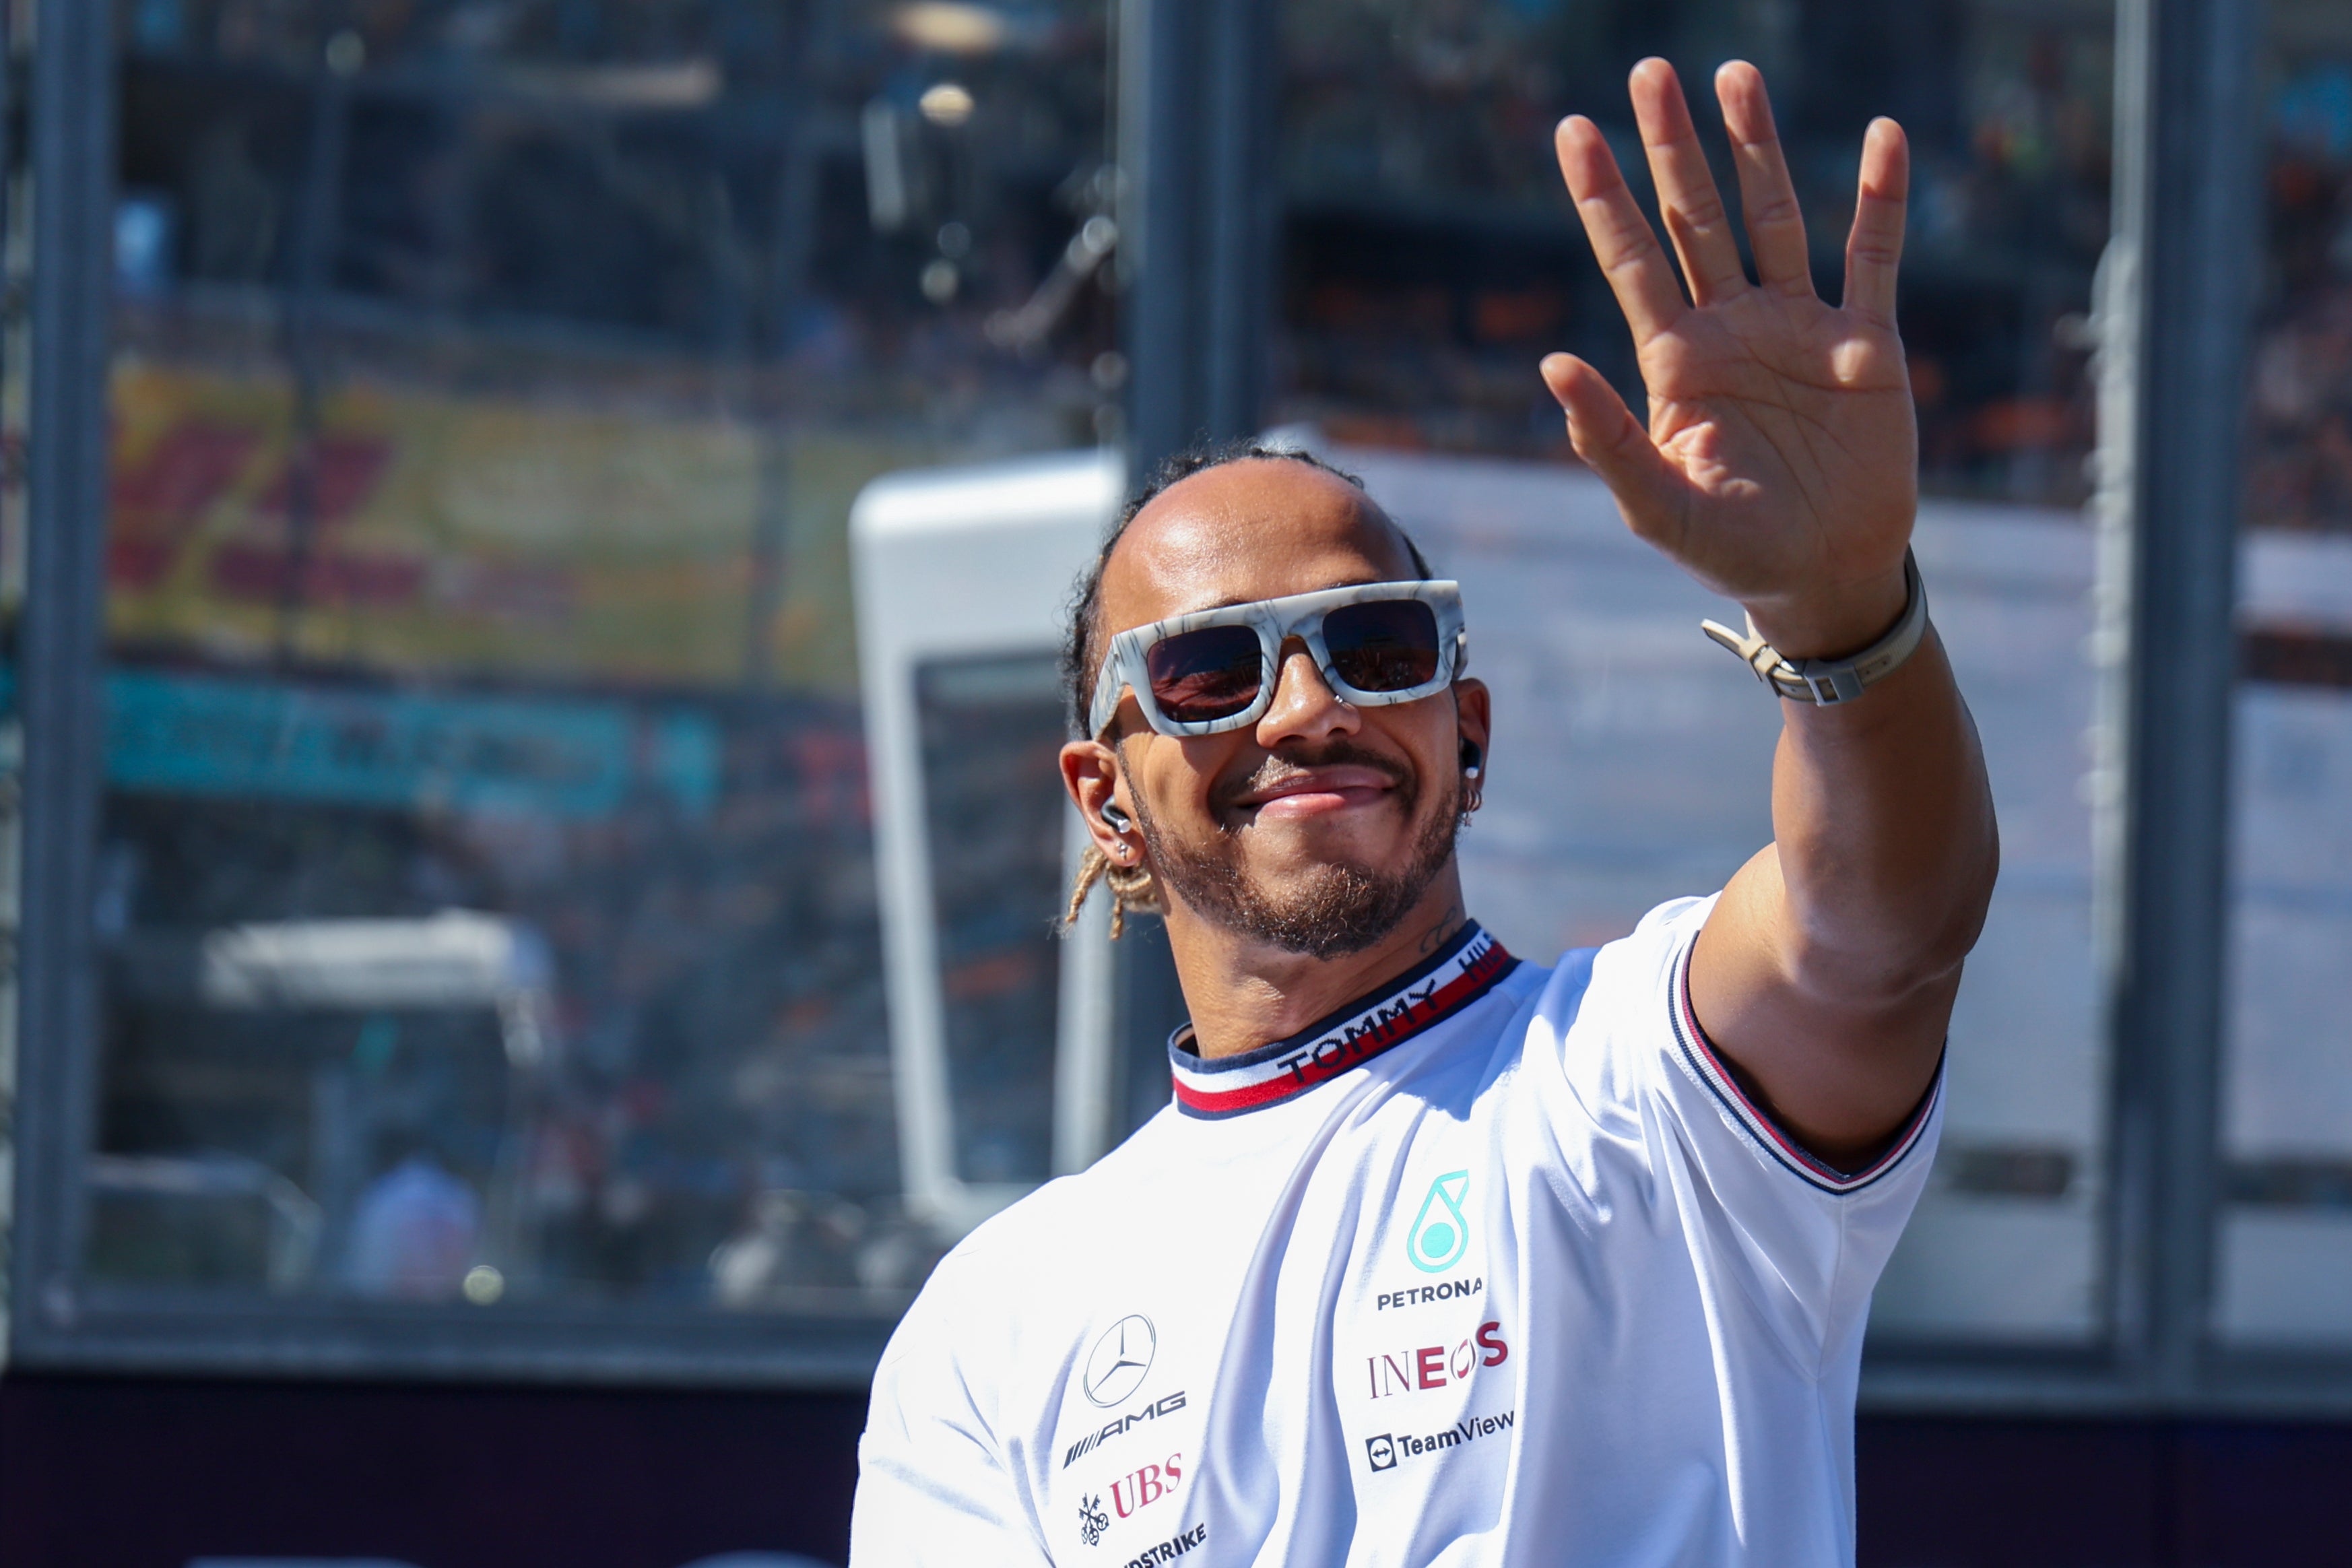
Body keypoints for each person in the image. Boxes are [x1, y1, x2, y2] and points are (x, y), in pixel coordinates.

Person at [851, 58, 1996, 1567]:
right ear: (1103, 802)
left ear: (1464, 727)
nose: (1306, 705)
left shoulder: (1638, 1080)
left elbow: (1885, 929)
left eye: (1375, 646)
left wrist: (1843, 608)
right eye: (1208, 670)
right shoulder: (994, 1328)